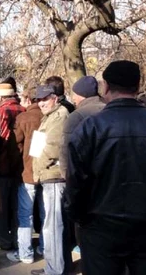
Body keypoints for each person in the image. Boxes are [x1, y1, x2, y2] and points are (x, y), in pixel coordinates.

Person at [64, 60, 146, 275]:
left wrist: (78, 216)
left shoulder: (89, 128)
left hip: (101, 225)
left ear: (106, 87)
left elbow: (75, 181)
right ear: (137, 87)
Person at [60, 76, 106, 258]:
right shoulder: (109, 111)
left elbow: (66, 153)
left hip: (85, 186)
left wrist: (69, 181)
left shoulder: (76, 117)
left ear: (80, 95)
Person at [30, 85, 74, 275]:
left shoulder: (60, 115)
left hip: (54, 177)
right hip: (49, 175)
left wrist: (39, 166)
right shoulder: (50, 116)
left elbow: (53, 148)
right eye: (38, 100)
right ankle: (56, 266)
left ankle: (56, 270)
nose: (41, 103)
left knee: (53, 227)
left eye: (45, 99)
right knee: (53, 226)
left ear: (55, 98)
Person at [7, 86, 45, 265]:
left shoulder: (24, 118)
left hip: (27, 171)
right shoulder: (50, 117)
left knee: (25, 215)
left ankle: (25, 252)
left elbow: (15, 146)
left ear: (28, 100)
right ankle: (45, 247)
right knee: (46, 214)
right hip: (47, 173)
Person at [0, 83, 26, 251]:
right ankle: (16, 239)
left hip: (2, 166)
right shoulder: (24, 110)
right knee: (16, 206)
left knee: (1, 206)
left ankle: (4, 241)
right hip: (20, 165)